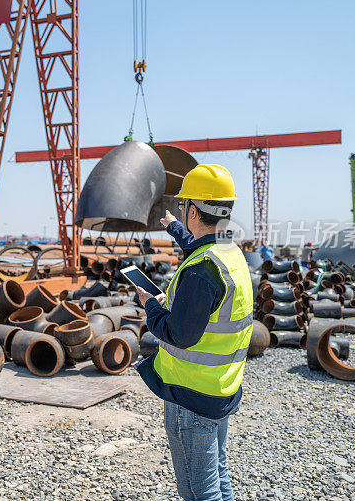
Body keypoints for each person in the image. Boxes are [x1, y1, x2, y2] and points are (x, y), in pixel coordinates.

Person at [133, 164, 253, 501]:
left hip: (191, 397)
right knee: (218, 478)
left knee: (200, 493)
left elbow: (180, 334)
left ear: (194, 210)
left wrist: (151, 305)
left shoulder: (201, 272)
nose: (183, 210)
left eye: (185, 206)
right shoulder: (230, 254)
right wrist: (174, 227)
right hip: (221, 388)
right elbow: (199, 246)